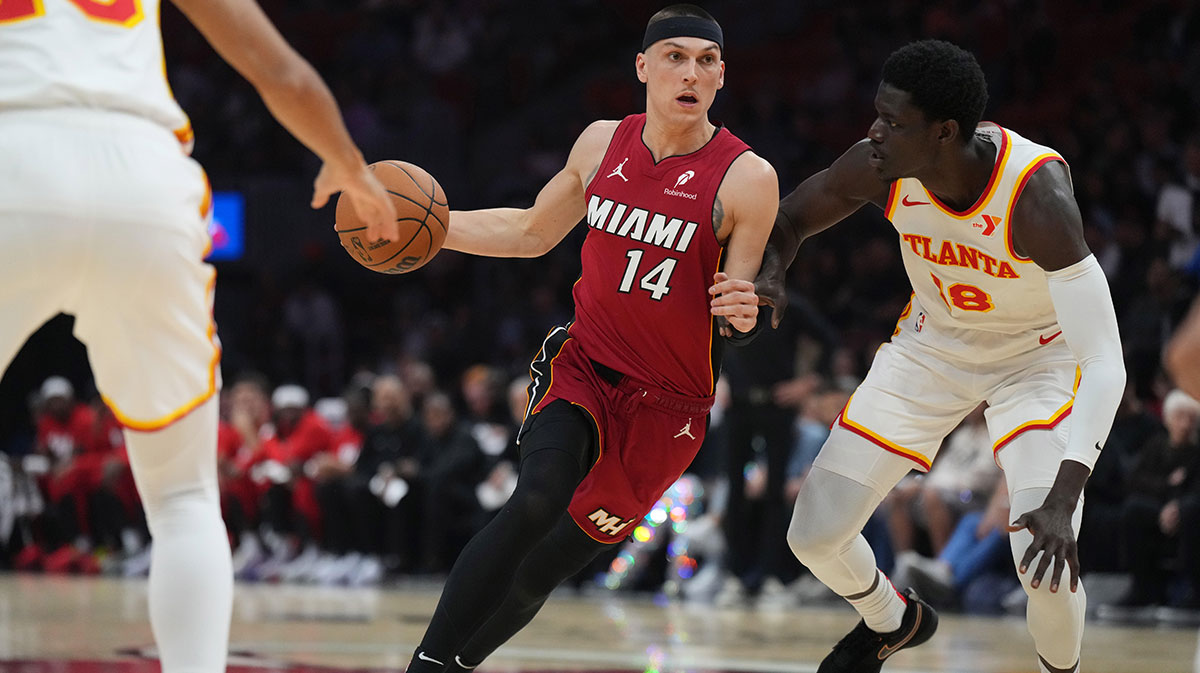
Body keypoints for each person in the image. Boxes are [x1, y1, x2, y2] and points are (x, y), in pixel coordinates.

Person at [0, 0, 397, 669]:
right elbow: (283, 74)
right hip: (146, 178)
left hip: (15, 148)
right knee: (185, 497)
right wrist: (350, 166)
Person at [403, 5, 777, 671]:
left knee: (544, 568)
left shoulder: (748, 178)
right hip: (584, 363)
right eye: (674, 57)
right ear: (642, 67)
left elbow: (733, 318)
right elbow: (529, 231)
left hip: (668, 410)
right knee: (538, 494)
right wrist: (432, 226)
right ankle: (426, 664)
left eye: (707, 60)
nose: (691, 72)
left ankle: (463, 664)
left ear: (722, 77)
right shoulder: (602, 141)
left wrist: (745, 314)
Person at [757, 40, 1125, 673]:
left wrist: (1065, 496)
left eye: (893, 122)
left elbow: (1106, 361)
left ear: (944, 132)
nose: (874, 132)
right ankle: (893, 619)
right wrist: (771, 274)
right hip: (934, 348)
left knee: (1041, 568)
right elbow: (788, 221)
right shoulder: (879, 165)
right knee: (812, 534)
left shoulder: (1035, 198)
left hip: (1039, 360)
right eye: (877, 114)